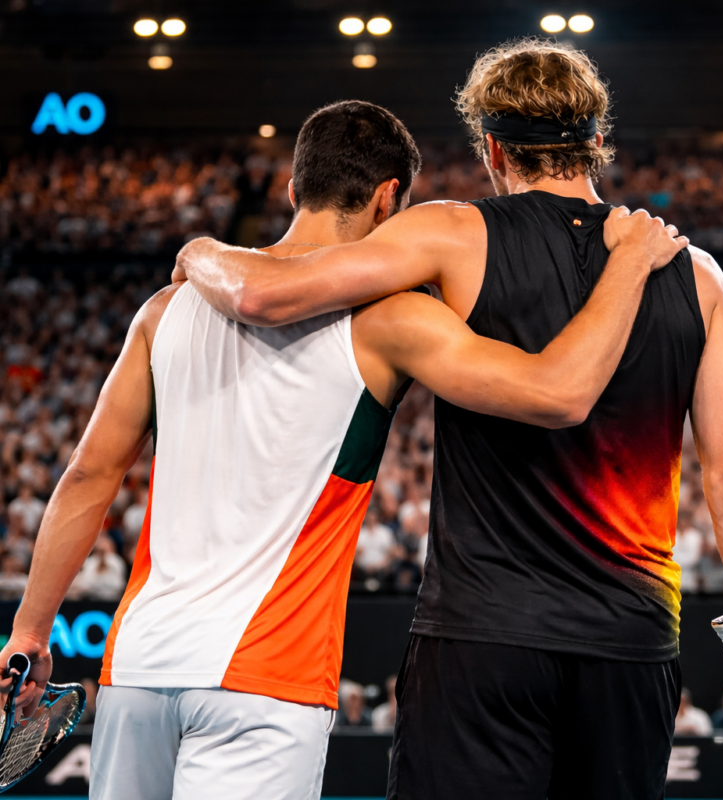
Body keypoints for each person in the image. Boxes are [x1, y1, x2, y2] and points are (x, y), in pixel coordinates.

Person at [0, 100, 681, 800]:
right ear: (391, 199)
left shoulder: (164, 311)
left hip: (137, 667)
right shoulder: (394, 319)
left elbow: (87, 476)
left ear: (294, 190)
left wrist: (29, 631)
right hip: (269, 678)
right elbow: (556, 392)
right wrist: (626, 265)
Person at [175, 39, 723, 799]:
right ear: (597, 142)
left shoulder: (452, 234)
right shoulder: (697, 276)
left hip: (481, 641)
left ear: (493, 149)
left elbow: (266, 293)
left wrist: (201, 249)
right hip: (632, 644)